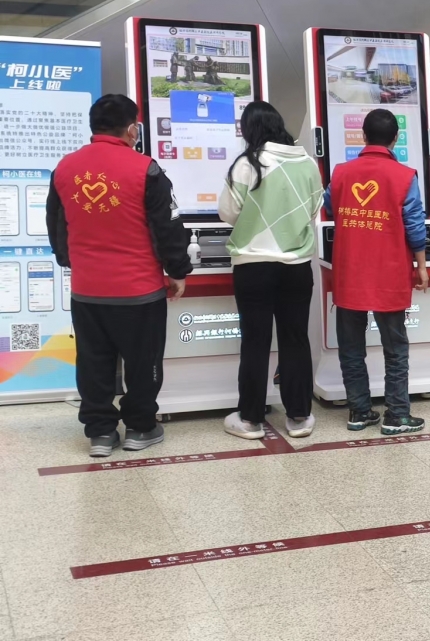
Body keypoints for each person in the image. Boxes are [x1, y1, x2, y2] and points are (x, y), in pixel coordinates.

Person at [46, 94, 191, 457]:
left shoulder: (64, 168)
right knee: (143, 363)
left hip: (87, 291)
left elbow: (56, 226)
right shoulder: (147, 169)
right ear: (132, 128)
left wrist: (72, 263)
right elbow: (168, 227)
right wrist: (177, 271)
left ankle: (100, 433)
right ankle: (141, 428)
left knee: (93, 361)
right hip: (138, 291)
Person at [219, 102, 323, 440]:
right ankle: (299, 417)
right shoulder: (307, 162)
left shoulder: (247, 163)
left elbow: (228, 213)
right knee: (295, 339)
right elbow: (313, 208)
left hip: (253, 266)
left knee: (255, 340)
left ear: (251, 130)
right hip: (296, 266)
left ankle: (250, 419)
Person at [327, 108, 429, 435]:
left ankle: (359, 411)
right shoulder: (404, 176)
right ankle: (397, 415)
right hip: (389, 274)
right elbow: (414, 226)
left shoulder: (342, 173)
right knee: (395, 347)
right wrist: (422, 266)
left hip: (349, 273)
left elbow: (330, 206)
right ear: (395, 139)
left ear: (363, 136)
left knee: (351, 347)